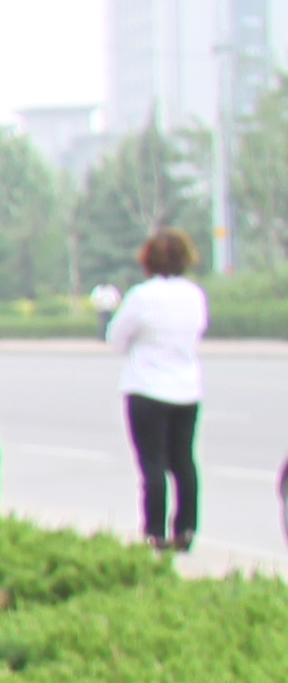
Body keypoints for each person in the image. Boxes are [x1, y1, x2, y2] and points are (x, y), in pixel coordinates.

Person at [109, 227, 208, 549]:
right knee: (183, 461)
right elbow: (198, 331)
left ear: (148, 260)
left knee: (152, 464)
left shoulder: (142, 295)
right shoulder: (195, 294)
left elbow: (116, 337)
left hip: (147, 388)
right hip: (187, 389)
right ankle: (187, 529)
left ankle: (155, 533)